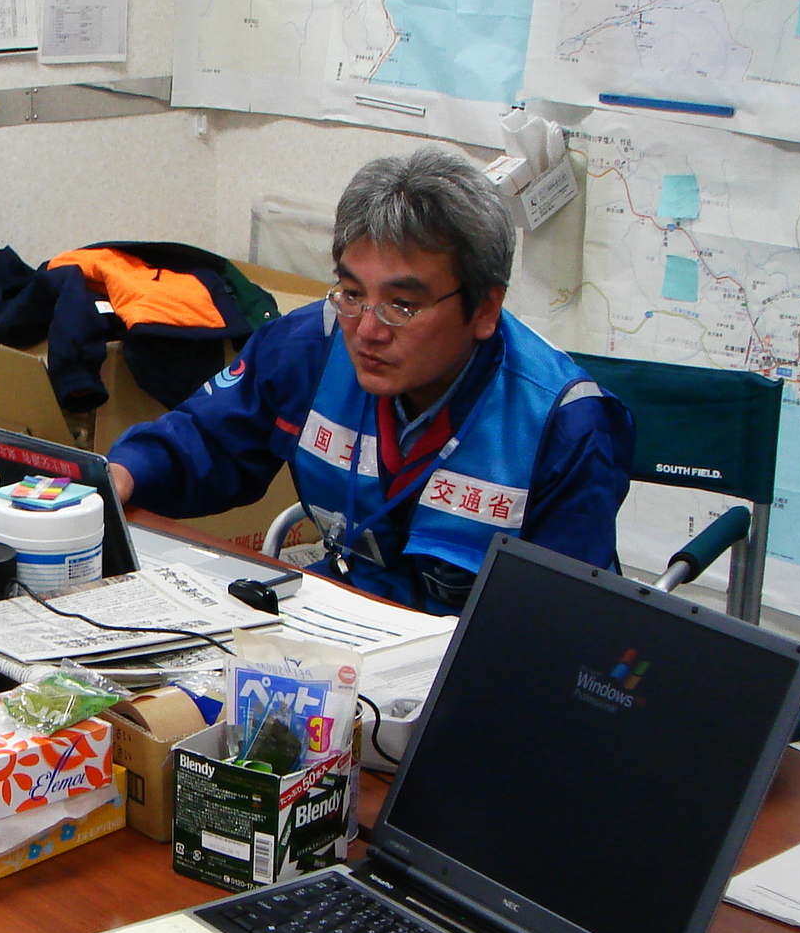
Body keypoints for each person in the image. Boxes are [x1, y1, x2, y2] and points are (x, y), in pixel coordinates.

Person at [106, 147, 633, 613]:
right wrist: (127, 472)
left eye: (402, 305)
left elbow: (561, 623)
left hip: (468, 657)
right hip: (342, 614)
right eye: (353, 293)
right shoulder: (309, 346)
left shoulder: (567, 425)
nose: (367, 331)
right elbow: (208, 440)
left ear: (484, 309)